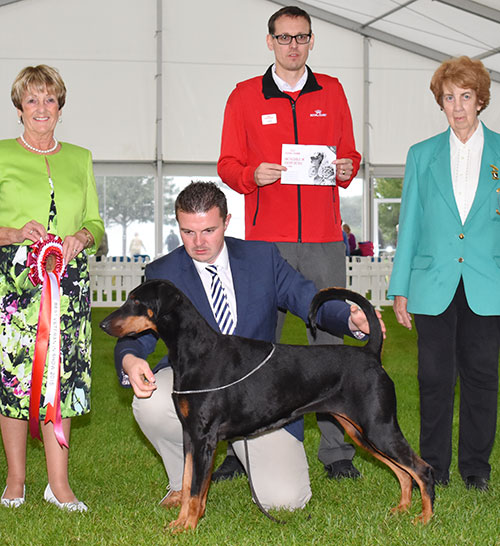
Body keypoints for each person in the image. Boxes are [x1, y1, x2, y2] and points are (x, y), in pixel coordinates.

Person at [114, 182, 383, 511]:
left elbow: (306, 298)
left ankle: (241, 450)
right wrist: (130, 359)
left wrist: (349, 319)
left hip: (262, 398)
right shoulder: (163, 272)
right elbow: (137, 334)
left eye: (209, 230)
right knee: (152, 402)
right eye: (188, 232)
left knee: (286, 502)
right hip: (197, 388)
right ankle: (181, 482)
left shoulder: (262, 257)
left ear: (227, 222)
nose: (198, 243)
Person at [217, 5, 362, 480]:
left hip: (323, 239)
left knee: (332, 344)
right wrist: (250, 175)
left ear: (312, 40)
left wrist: (347, 168)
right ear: (269, 41)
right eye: (284, 38)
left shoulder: (334, 91)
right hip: (266, 244)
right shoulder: (243, 97)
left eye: (301, 38)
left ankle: (338, 453)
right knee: (260, 347)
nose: (293, 46)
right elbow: (226, 166)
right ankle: (246, 450)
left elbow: (349, 154)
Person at [388, 56, 500, 491]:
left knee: (482, 377)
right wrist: (400, 289)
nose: (457, 107)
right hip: (432, 284)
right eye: (449, 98)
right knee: (433, 379)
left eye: (465, 97)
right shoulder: (421, 155)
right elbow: (409, 223)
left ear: (480, 101)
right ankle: (433, 466)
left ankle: (476, 469)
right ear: (440, 103)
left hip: (487, 284)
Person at [0, 65, 104, 510]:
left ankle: (59, 484)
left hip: (68, 282)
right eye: (32, 100)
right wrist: (13, 233)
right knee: (15, 379)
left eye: (49, 99)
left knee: (59, 377)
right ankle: (17, 479)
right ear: (19, 108)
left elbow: (95, 222)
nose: (41, 108)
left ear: (60, 107)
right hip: (16, 286)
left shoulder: (80, 157)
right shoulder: (2, 154)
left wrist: (83, 237)